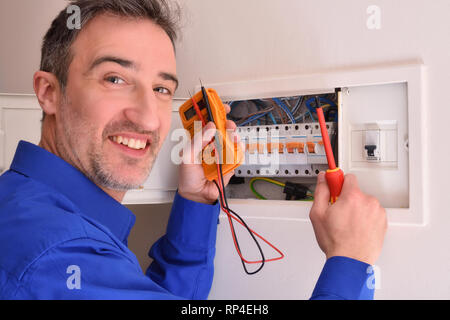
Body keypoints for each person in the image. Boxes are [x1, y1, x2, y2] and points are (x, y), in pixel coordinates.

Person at [0, 0, 386, 300]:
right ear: (49, 92)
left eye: (162, 88)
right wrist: (349, 261)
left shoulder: (24, 207)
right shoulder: (58, 254)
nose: (148, 118)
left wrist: (195, 204)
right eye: (115, 78)